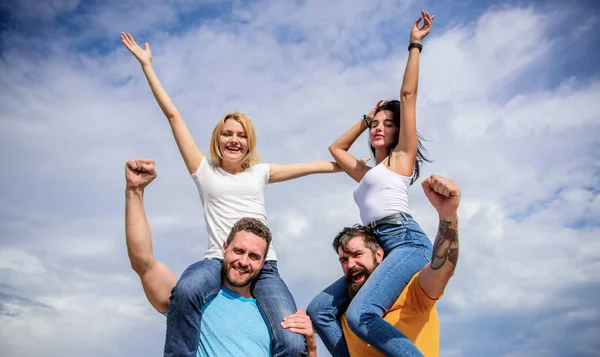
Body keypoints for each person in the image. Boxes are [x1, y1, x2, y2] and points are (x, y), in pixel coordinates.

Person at [121, 33, 343, 357]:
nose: (234, 139)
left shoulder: (260, 172)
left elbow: (307, 166)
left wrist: (348, 167)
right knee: (183, 293)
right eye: (227, 133)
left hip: (265, 265)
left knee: (293, 340)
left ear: (249, 142)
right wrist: (147, 66)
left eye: (241, 135)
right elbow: (174, 116)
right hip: (217, 259)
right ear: (217, 139)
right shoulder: (203, 171)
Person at [308, 10, 437, 357]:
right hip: (378, 246)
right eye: (375, 124)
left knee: (362, 315)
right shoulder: (367, 174)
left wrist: (415, 44)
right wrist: (364, 119)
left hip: (406, 241)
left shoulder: (401, 160)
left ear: (399, 132)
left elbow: (408, 96)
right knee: (319, 310)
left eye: (387, 123)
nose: (379, 127)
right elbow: (335, 149)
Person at [124, 158, 318, 356]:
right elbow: (143, 263)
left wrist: (311, 346)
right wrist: (134, 191)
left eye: (253, 256)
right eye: (239, 251)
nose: (243, 262)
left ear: (264, 262)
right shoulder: (196, 299)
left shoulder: (276, 319)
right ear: (224, 248)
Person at [334, 174, 460, 357]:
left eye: (357, 254)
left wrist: (448, 215)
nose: (351, 264)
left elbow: (443, 267)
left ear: (379, 254)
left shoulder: (412, 291)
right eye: (344, 260)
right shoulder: (344, 313)